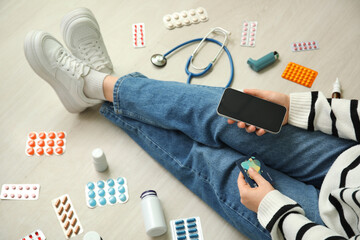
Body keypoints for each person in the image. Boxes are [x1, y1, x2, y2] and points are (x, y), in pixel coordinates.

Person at [24, 8, 360, 240]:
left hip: (321, 227)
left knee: (214, 164)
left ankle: (96, 86)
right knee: (229, 111)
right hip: (348, 156)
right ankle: (102, 85)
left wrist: (274, 210)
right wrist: (299, 107)